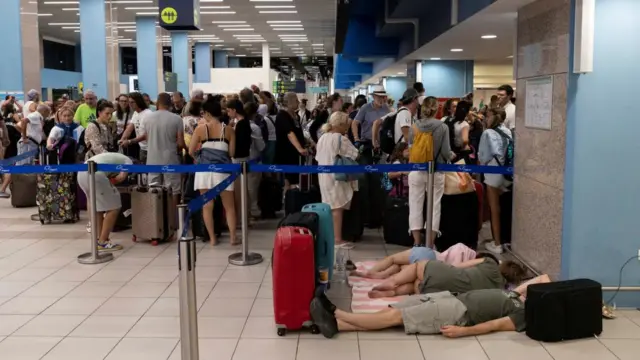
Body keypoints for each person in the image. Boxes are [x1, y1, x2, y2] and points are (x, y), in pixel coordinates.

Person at [310, 274, 553, 339]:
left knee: (393, 317)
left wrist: (464, 332)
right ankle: (335, 325)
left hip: (458, 313)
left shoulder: (523, 314)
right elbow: (543, 278)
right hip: (452, 298)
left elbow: (496, 325)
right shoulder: (517, 297)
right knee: (388, 312)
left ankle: (333, 311)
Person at [188, 96, 238, 246]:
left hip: (204, 171)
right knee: (229, 207)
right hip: (223, 171)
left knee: (207, 205)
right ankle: (233, 238)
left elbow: (190, 151)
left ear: (208, 113)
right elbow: (232, 153)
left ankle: (212, 239)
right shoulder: (228, 130)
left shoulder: (200, 129)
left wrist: (201, 157)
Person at [408, 97, 455, 247]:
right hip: (436, 170)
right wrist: (452, 156)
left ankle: (416, 242)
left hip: (416, 169)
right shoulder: (442, 127)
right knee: (434, 206)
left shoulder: (414, 126)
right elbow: (447, 152)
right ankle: (430, 243)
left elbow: (410, 148)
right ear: (436, 109)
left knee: (415, 204)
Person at [367, 254, 526, 298]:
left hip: (450, 274)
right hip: (436, 292)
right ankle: (393, 293)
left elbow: (460, 266)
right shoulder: (498, 290)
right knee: (416, 283)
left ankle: (391, 282)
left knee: (418, 267)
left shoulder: (491, 263)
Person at [137, 93, 185, 220]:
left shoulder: (147, 119)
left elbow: (146, 138)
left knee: (153, 187)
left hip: (152, 158)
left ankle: (155, 219)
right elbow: (180, 143)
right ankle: (173, 219)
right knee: (174, 189)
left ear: (157, 103)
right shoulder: (177, 119)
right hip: (171, 158)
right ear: (170, 104)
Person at [315, 112, 360, 249]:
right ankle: (337, 239)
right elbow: (355, 154)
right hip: (337, 177)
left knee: (329, 206)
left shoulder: (322, 137)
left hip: (323, 175)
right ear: (341, 124)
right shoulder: (340, 138)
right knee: (338, 208)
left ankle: (329, 237)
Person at [78, 151, 134, 251]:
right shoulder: (128, 161)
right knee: (115, 206)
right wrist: (113, 183)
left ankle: (99, 239)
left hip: (82, 173)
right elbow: (120, 177)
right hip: (96, 174)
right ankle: (103, 242)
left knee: (97, 206)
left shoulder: (113, 156)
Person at [478, 108, 512, 254]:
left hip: (493, 173)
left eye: (486, 116)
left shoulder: (487, 133)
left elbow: (483, 157)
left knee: (494, 208)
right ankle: (505, 239)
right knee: (504, 207)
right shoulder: (508, 131)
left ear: (491, 117)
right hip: (507, 174)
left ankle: (497, 243)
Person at [351, 85, 391, 164]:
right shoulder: (365, 108)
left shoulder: (386, 108)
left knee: (380, 169)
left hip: (381, 144)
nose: (381, 99)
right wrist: (356, 138)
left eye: (383, 97)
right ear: (374, 97)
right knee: (367, 168)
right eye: (379, 97)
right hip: (367, 143)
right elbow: (354, 123)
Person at [275, 92, 307, 190]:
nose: (298, 102)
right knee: (288, 181)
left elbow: (297, 133)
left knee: (294, 179)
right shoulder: (282, 116)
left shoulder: (294, 116)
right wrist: (300, 148)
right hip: (286, 153)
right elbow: (290, 133)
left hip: (294, 155)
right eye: (296, 100)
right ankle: (288, 200)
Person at [120, 92, 152, 163]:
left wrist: (129, 141)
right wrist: (122, 138)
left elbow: (147, 135)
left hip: (150, 149)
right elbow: (129, 128)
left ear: (138, 101)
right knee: (144, 171)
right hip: (142, 148)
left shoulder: (148, 114)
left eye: (132, 102)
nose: (130, 104)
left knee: (151, 172)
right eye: (129, 102)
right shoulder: (136, 113)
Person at [259, 91, 278, 165]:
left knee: (268, 161)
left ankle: (269, 175)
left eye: (262, 98)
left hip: (269, 140)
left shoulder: (265, 117)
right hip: (272, 140)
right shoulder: (275, 114)